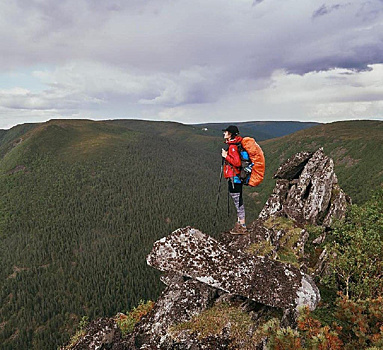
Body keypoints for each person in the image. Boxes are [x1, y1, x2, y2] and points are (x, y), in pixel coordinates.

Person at [221, 125, 248, 235]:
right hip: (237, 178)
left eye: (226, 132)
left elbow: (236, 163)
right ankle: (240, 223)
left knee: (237, 201)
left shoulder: (233, 147)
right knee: (238, 200)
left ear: (230, 134)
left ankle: (242, 226)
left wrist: (225, 156)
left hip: (234, 179)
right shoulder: (236, 144)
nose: (224, 134)